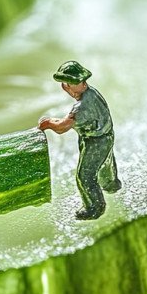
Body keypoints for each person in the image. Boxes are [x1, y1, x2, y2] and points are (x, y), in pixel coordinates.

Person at [38, 60, 121, 220]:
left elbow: (63, 127)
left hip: (95, 141)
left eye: (71, 83)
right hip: (106, 134)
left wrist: (48, 123)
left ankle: (95, 207)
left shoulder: (82, 106)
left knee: (85, 176)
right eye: (67, 83)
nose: (67, 87)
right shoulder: (92, 92)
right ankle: (111, 184)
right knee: (105, 163)